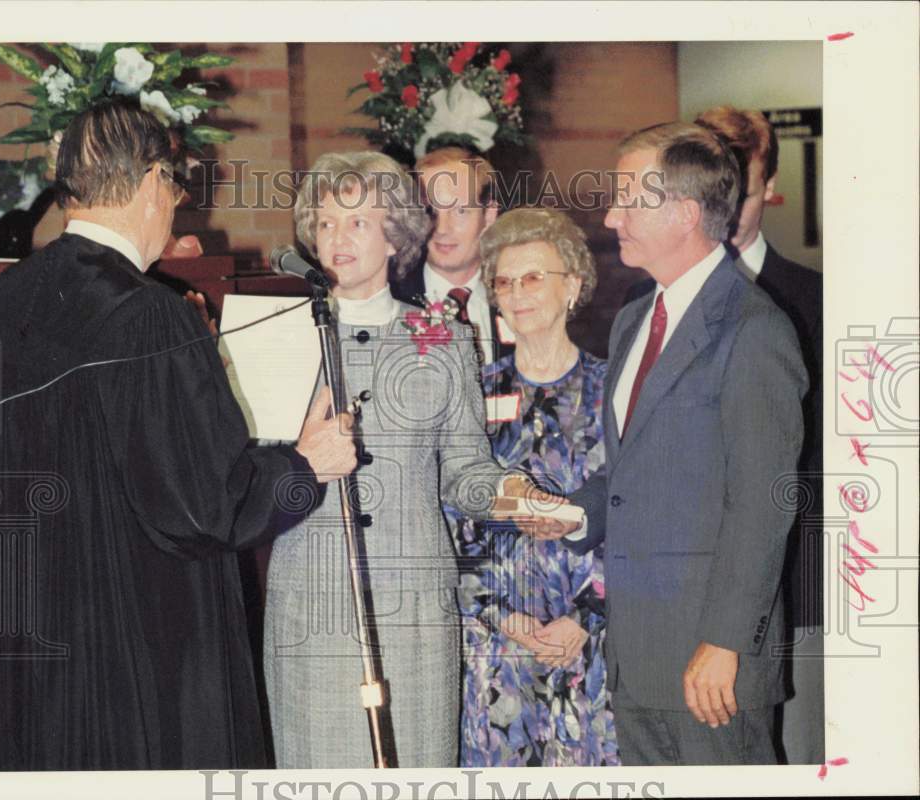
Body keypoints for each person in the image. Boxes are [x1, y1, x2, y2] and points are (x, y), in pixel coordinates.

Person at [0, 100, 356, 770]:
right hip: (134, 654)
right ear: (151, 184)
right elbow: (206, 507)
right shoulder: (148, 314)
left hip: (31, 641)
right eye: (175, 189)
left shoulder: (5, 297)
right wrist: (304, 468)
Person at [262, 152, 575, 769]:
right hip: (310, 607)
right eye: (325, 224)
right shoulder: (275, 332)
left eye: (356, 222)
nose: (337, 238)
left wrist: (521, 498)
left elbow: (465, 470)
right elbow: (244, 480)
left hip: (418, 614)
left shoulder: (442, 337)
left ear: (395, 234)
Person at [601, 122, 807, 765]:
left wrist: (727, 643)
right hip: (637, 660)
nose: (611, 217)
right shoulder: (634, 319)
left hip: (710, 668)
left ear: (686, 214)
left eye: (629, 200)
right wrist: (566, 509)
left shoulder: (754, 330)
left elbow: (764, 502)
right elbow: (636, 474)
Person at [453, 208, 619, 767]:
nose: (517, 293)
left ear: (572, 285)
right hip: (498, 650)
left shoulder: (612, 390)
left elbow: (636, 509)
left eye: (533, 278)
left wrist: (586, 616)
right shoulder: (471, 396)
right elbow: (449, 520)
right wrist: (502, 615)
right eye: (503, 281)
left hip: (592, 646)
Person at [696, 105, 824, 765]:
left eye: (738, 188)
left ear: (769, 185)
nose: (724, 205)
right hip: (685, 592)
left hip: (792, 593)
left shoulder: (817, 300)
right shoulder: (646, 305)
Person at [390, 146, 514, 365]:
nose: (442, 228)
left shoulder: (517, 299)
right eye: (431, 211)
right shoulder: (392, 299)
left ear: (489, 216)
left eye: (460, 211)